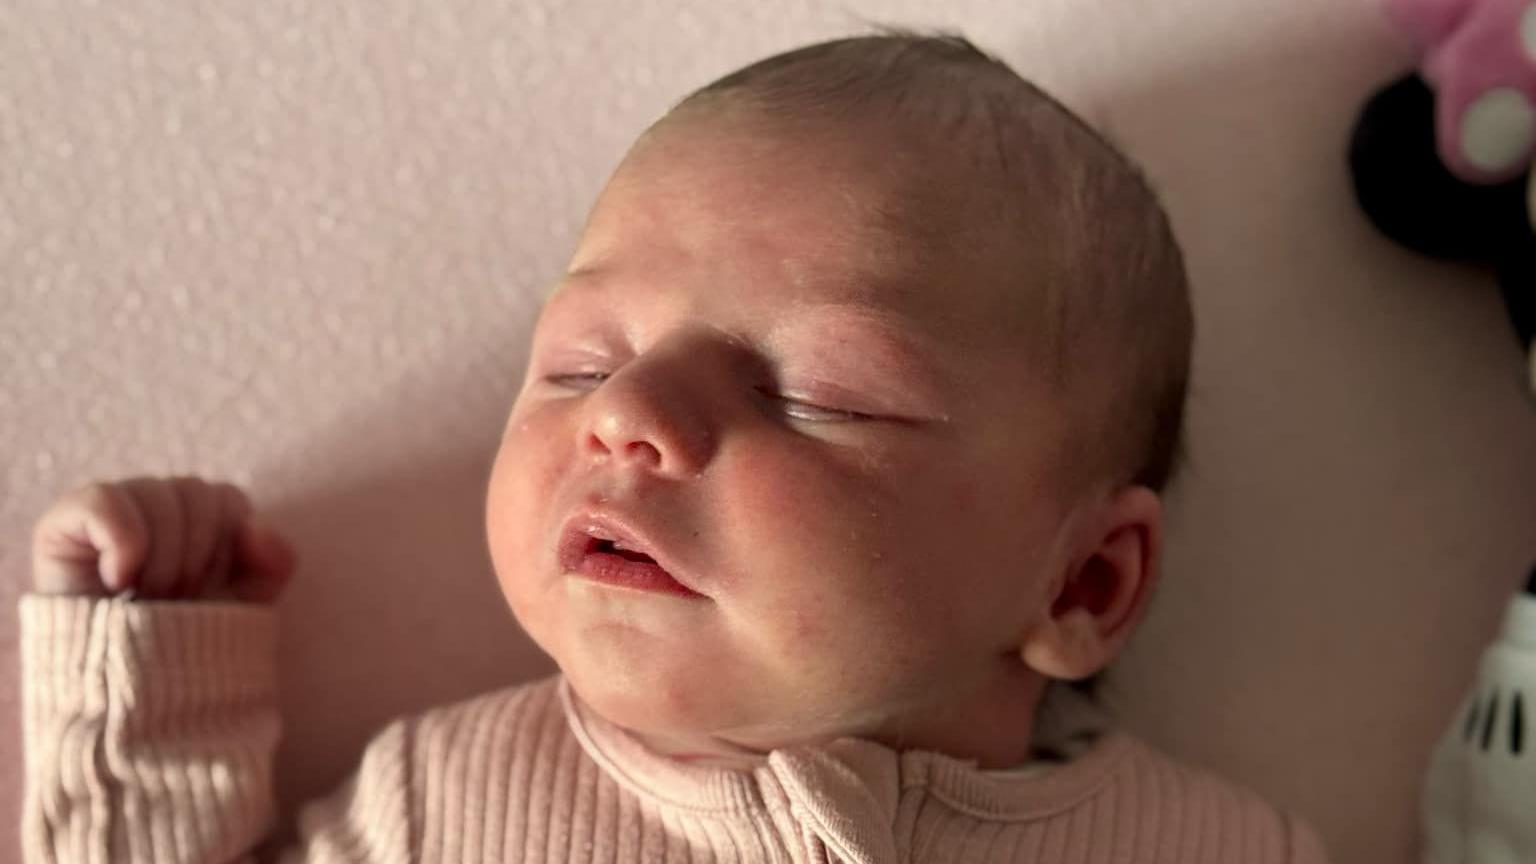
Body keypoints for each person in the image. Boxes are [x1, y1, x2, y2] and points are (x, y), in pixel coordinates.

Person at [20, 31, 1330, 863]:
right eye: (581, 361)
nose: (625, 414)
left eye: (818, 391)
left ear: (1082, 584)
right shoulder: (447, 804)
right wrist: (154, 682)